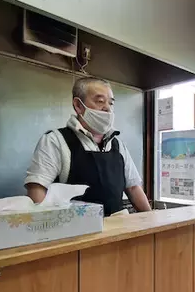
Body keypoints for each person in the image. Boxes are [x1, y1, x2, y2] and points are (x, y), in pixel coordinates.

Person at [25, 77, 151, 216]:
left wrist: (151, 219)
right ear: (78, 106)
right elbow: (37, 187)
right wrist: (45, 224)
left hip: (118, 227)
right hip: (75, 228)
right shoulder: (56, 141)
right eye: (100, 101)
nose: (107, 108)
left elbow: (133, 188)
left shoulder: (118, 145)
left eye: (111, 103)